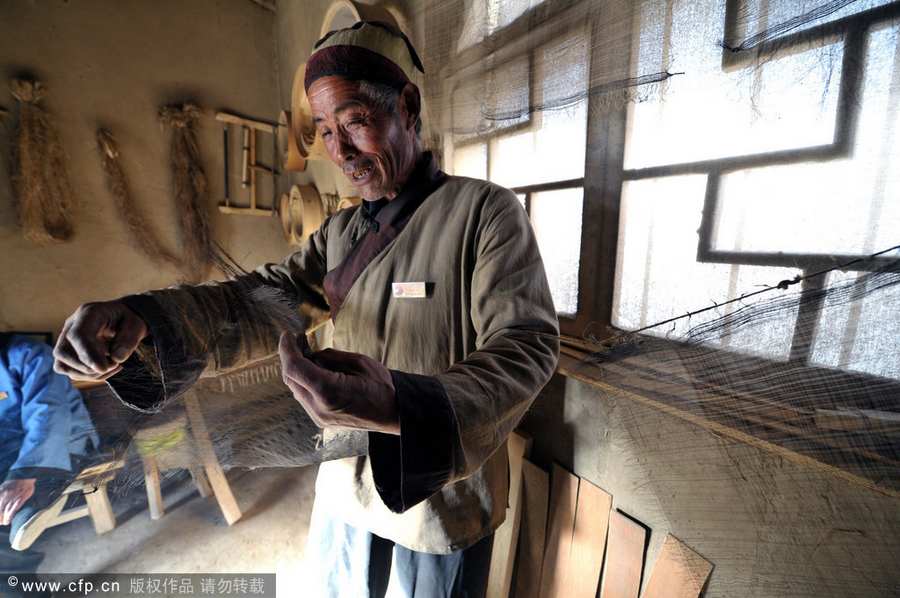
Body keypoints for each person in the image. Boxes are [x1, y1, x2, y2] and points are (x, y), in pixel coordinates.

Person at [53, 21, 559, 597]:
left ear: (407, 107)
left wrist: (402, 406)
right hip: (349, 478)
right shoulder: (341, 233)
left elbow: (527, 346)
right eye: (324, 130)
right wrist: (141, 318)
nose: (339, 152)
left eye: (355, 123)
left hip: (442, 481)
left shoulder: (484, 213)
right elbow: (258, 303)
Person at [0, 334, 99, 571]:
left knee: (9, 520)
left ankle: (32, 504)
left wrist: (26, 473)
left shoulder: (29, 353)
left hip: (64, 441)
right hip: (8, 451)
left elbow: (49, 414)